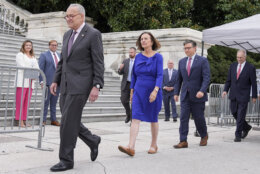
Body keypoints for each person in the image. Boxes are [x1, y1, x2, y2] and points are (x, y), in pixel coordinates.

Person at [49, 4, 104, 172]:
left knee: (66, 122)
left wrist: (97, 85)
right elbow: (63, 61)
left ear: (81, 16)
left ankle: (66, 160)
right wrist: (55, 80)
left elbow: (98, 61)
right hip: (65, 84)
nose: (68, 18)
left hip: (81, 84)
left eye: (71, 15)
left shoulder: (93, 34)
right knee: (69, 119)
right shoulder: (67, 35)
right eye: (67, 16)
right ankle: (92, 140)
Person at [118, 32, 163, 156]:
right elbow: (134, 75)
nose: (143, 41)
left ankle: (154, 144)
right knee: (135, 117)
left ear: (152, 41)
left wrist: (155, 90)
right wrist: (132, 91)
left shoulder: (158, 57)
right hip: (139, 90)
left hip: (153, 91)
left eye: (146, 39)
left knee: (153, 118)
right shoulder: (138, 57)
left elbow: (160, 75)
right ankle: (131, 146)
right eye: (141, 39)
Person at [173, 40, 210, 148]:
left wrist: (202, 90)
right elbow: (179, 79)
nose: (186, 50)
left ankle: (204, 135)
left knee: (198, 118)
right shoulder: (182, 62)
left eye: (188, 48)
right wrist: (176, 92)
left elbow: (206, 77)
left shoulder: (202, 61)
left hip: (198, 95)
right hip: (185, 95)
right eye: (185, 48)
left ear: (195, 48)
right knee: (183, 118)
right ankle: (183, 140)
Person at [222, 49, 257, 142]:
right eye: (238, 57)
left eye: (241, 57)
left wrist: (254, 96)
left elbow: (254, 83)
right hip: (233, 94)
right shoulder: (233, 66)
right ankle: (246, 127)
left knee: (241, 115)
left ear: (245, 57)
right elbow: (228, 80)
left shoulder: (250, 67)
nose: (239, 59)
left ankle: (238, 135)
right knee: (234, 112)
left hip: (244, 95)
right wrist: (225, 90)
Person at [15, 40, 40, 127]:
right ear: (23, 46)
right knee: (20, 101)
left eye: (30, 45)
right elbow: (21, 66)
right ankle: (20, 121)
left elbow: (37, 67)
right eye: (27, 45)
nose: (28, 47)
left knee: (27, 102)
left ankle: (25, 120)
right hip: (22, 81)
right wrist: (31, 72)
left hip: (30, 81)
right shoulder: (20, 55)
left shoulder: (33, 56)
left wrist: (35, 75)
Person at [38, 40, 60, 126]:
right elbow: (40, 69)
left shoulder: (59, 55)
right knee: (46, 102)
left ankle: (53, 120)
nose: (54, 46)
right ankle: (42, 120)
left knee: (54, 103)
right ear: (49, 46)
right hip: (47, 83)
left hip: (57, 83)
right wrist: (42, 81)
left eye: (55, 45)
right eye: (52, 45)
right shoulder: (44, 55)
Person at [118, 47, 136, 123]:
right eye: (129, 52)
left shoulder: (138, 62)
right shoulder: (125, 61)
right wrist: (120, 69)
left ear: (135, 53)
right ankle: (128, 114)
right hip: (126, 84)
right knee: (123, 100)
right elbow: (120, 73)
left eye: (131, 52)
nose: (130, 54)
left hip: (134, 85)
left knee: (133, 102)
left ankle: (132, 119)